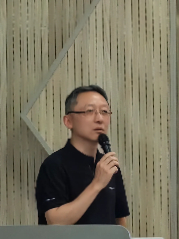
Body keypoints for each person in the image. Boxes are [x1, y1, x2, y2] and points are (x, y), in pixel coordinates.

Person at [35, 85, 130, 226]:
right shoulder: (54, 165)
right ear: (68, 121)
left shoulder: (108, 164)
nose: (99, 119)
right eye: (90, 111)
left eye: (104, 111)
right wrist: (97, 184)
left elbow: (120, 219)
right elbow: (55, 221)